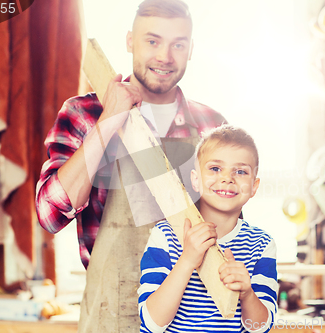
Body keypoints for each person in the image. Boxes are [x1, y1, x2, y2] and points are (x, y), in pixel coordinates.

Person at [35, 0, 226, 268]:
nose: (165, 57)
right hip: (110, 305)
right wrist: (109, 120)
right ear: (130, 41)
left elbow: (230, 233)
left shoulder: (213, 127)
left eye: (178, 45)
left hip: (194, 306)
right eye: (152, 41)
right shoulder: (83, 113)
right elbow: (49, 215)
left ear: (191, 49)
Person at [138, 125, 278, 333]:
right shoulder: (165, 235)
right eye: (215, 168)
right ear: (196, 180)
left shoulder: (261, 244)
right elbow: (152, 323)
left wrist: (247, 293)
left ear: (254, 187)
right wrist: (187, 260)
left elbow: (260, 328)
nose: (227, 178)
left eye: (240, 171)